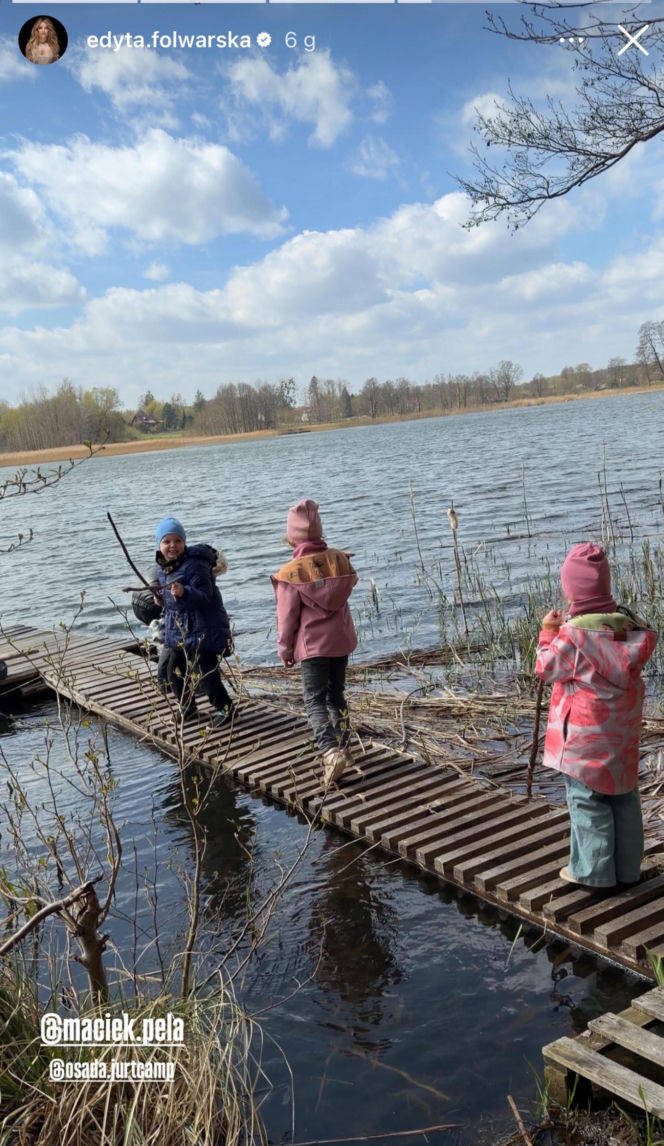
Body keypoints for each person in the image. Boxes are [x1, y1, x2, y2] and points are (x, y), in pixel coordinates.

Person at [536, 542, 657, 888]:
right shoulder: (627, 630)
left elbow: (545, 668)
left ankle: (593, 873)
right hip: (622, 739)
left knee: (587, 803)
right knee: (623, 800)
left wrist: (548, 632)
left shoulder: (573, 637)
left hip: (583, 746)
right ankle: (627, 871)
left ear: (572, 593)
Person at [271, 498, 358, 786]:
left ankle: (330, 752)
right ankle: (346, 746)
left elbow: (287, 618)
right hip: (340, 642)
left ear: (290, 537)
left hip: (312, 648)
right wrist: (333, 559)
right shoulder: (339, 560)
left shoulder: (290, 574)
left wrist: (285, 649)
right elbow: (345, 581)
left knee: (314, 699)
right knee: (336, 695)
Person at [154, 516, 234, 727]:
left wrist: (185, 591)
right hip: (180, 629)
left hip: (203, 628)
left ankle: (224, 709)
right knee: (174, 669)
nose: (172, 546)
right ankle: (187, 707)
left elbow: (206, 595)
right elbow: (172, 601)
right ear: (159, 545)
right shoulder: (164, 568)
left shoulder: (195, 565)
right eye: (167, 541)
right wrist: (161, 598)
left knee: (206, 671)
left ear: (184, 542)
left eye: (177, 541)